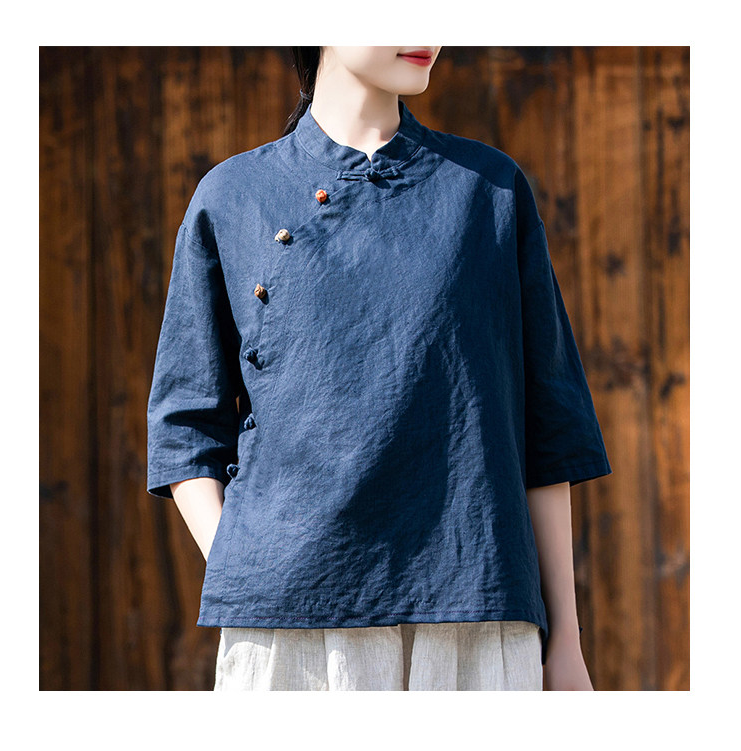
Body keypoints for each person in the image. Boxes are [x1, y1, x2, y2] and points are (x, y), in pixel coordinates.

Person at [146, 46, 612, 691]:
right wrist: (249, 564)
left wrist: (567, 640)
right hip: (289, 631)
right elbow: (183, 424)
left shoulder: (489, 189)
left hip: (479, 612)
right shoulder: (233, 195)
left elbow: (547, 429)